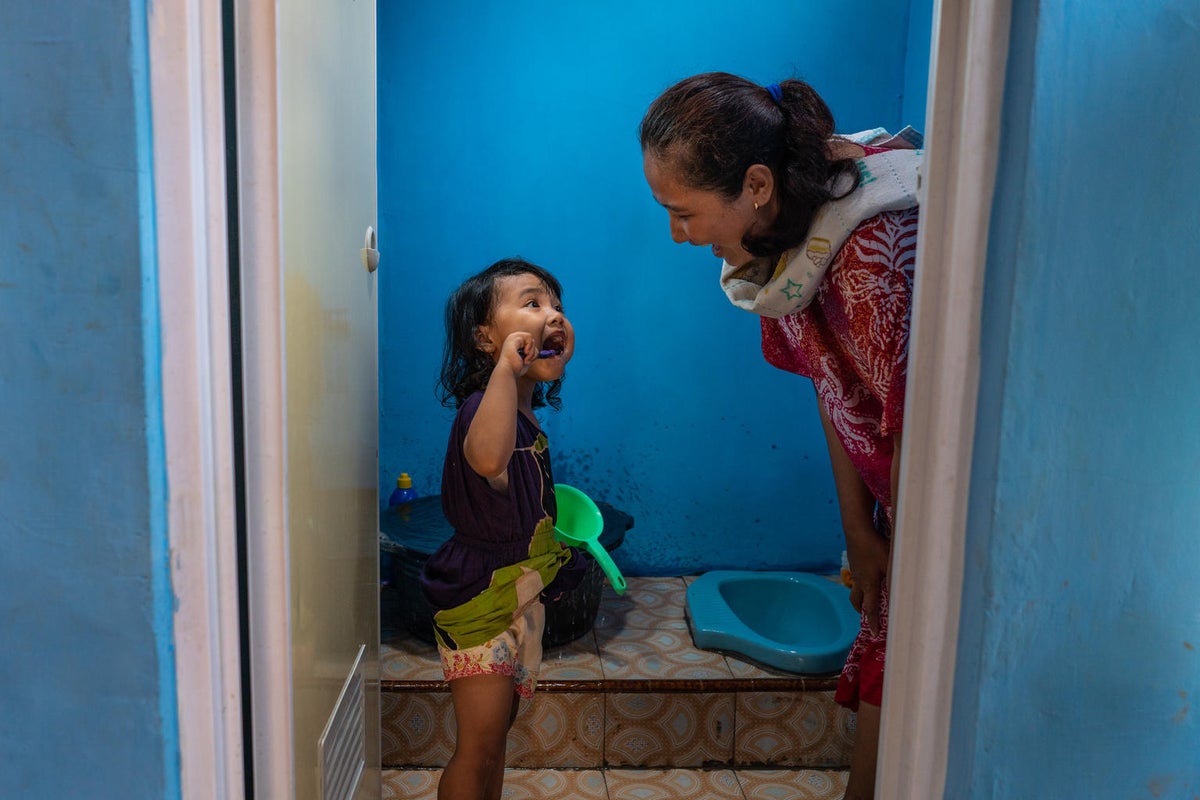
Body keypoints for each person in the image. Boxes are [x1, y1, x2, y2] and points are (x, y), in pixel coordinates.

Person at [639, 72, 922, 800]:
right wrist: (857, 529)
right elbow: (836, 392)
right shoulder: (788, 247)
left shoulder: (869, 264)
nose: (676, 234)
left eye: (682, 212)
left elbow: (924, 435)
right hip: (892, 512)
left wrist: (898, 538)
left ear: (756, 185)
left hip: (939, 524)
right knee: (882, 689)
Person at [420, 257, 587, 800]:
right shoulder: (483, 409)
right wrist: (502, 376)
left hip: (516, 597)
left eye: (558, 306)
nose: (554, 315)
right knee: (479, 746)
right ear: (486, 338)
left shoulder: (524, 414)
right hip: (480, 604)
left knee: (498, 738)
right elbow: (489, 461)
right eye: (533, 303)